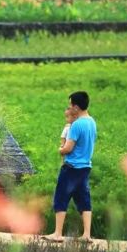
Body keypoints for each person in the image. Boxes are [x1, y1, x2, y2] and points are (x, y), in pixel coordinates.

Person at [44, 91, 97, 243]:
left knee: (61, 197)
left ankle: (57, 233)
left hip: (72, 167)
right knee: (84, 200)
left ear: (76, 107)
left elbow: (68, 148)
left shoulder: (76, 124)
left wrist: (60, 150)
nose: (69, 108)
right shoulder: (92, 122)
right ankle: (87, 234)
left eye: (70, 105)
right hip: (86, 167)